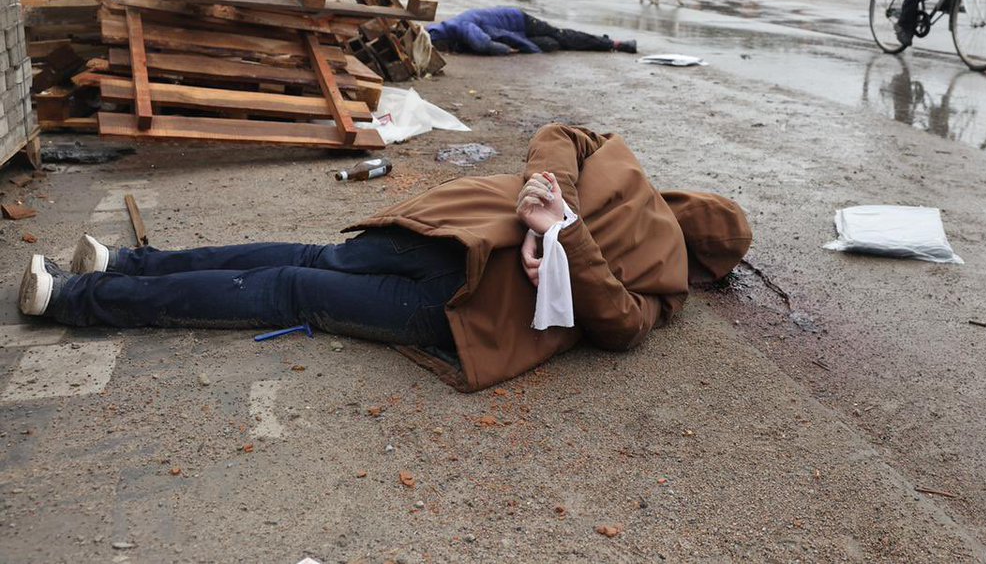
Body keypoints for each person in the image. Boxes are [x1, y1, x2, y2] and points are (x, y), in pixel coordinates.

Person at [18, 124, 751, 392]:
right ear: (707, 265)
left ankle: (108, 271)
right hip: (452, 285)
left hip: (450, 263)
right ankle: (87, 288)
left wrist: (559, 223)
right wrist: (553, 217)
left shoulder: (632, 191)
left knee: (301, 269)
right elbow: (619, 323)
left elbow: (618, 323)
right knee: (293, 283)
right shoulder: (654, 245)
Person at [427, 7, 637, 56]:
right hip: (519, 33)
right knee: (553, 44)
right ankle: (596, 41)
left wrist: (508, 51)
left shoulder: (459, 26)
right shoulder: (454, 28)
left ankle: (613, 44)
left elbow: (483, 43)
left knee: (561, 36)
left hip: (522, 21)